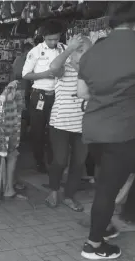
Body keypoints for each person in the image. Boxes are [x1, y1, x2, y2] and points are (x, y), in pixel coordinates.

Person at [77, 2, 135, 259]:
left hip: (94, 128)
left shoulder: (93, 52)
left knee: (105, 181)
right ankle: (93, 244)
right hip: (122, 130)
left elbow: (82, 93)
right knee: (108, 189)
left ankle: (105, 225)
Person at [44, 35, 91, 211]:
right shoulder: (64, 68)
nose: (83, 55)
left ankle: (69, 196)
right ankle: (54, 191)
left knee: (79, 163)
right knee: (60, 160)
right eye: (80, 51)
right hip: (61, 123)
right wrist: (70, 49)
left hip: (84, 125)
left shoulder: (91, 72)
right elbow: (53, 66)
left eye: (86, 51)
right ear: (73, 52)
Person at [22, 20, 65, 173]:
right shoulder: (35, 52)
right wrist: (46, 74)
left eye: (56, 38)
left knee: (56, 129)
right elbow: (25, 75)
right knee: (38, 130)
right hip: (39, 95)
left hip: (58, 96)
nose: (53, 42)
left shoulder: (64, 50)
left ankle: (54, 160)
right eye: (50, 39)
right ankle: (39, 161)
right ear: (44, 37)